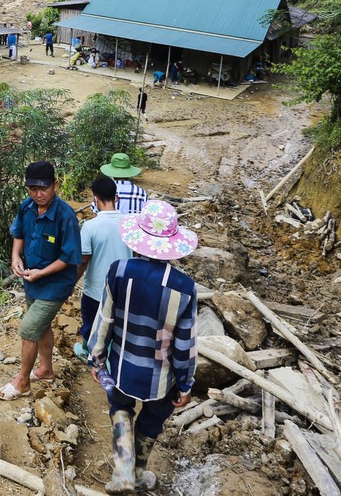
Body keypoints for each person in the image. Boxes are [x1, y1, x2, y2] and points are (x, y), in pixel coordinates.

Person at [85, 200, 198, 493]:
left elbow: (104, 319)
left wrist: (95, 360)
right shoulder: (184, 288)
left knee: (120, 407)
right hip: (161, 376)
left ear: (139, 239)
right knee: (154, 417)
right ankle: (138, 471)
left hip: (122, 366)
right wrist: (185, 383)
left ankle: (123, 469)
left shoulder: (118, 271)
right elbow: (185, 343)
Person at [0, 161, 83, 400]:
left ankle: (22, 381)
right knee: (41, 325)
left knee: (28, 329)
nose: (38, 194)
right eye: (33, 189)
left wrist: (40, 273)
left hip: (55, 284)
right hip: (31, 280)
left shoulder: (65, 216)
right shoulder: (27, 207)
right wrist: (16, 257)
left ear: (55, 185)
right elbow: (19, 234)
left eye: (43, 188)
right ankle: (45, 369)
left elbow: (69, 257)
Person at [72, 177, 130, 362]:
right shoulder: (129, 225)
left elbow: (83, 260)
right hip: (124, 288)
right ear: (117, 197)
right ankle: (114, 358)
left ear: (94, 198)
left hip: (96, 289)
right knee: (119, 326)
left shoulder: (90, 226)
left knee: (91, 324)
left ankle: (90, 354)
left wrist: (71, 283)